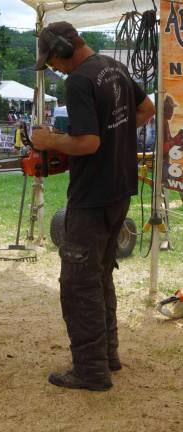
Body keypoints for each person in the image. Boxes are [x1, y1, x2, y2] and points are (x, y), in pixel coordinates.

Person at [32, 21, 155, 391]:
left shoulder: (80, 80)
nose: (54, 68)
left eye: (53, 60)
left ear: (63, 49)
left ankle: (90, 370)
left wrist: (50, 139)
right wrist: (116, 135)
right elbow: (146, 109)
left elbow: (87, 143)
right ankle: (108, 356)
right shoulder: (112, 67)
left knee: (77, 283)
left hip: (91, 196)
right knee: (100, 276)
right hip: (119, 190)